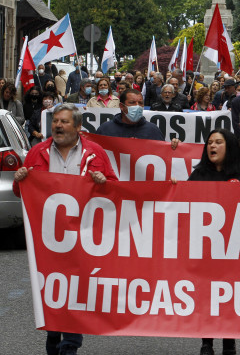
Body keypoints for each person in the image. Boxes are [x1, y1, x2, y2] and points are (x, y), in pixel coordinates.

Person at [13, 103, 118, 355]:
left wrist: (104, 182)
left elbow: (115, 189)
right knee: (52, 290)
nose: (58, 126)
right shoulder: (37, 152)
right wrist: (19, 181)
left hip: (83, 237)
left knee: (76, 290)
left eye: (64, 122)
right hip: (47, 238)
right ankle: (53, 339)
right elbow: (22, 193)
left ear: (78, 126)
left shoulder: (95, 153)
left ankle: (70, 345)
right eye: (55, 121)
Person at [183, 128, 240, 355]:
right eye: (210, 142)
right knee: (207, 295)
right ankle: (206, 342)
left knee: (230, 297)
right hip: (206, 250)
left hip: (235, 251)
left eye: (218, 142)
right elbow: (184, 206)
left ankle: (230, 343)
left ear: (229, 146)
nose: (212, 146)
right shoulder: (198, 175)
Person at [96, 89, 176, 143]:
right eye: (132, 102)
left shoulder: (153, 131)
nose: (137, 106)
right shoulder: (105, 130)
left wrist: (174, 147)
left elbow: (163, 155)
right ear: (121, 106)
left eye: (140, 103)